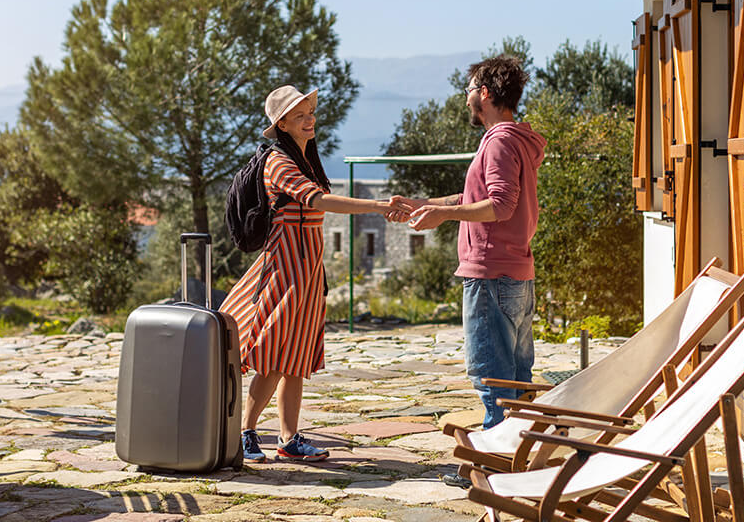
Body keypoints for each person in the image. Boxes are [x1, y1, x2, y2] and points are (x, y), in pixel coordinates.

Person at [221, 85, 407, 463]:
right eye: (301, 114)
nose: (311, 119)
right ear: (282, 123)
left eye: (310, 112)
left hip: (306, 272)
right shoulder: (279, 163)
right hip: (284, 270)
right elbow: (319, 201)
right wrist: (377, 205)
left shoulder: (306, 160)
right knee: (273, 357)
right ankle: (246, 432)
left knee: (297, 357)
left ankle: (289, 438)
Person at [394, 56, 545, 483]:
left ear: (484, 93)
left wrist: (445, 218)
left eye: (468, 90)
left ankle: (494, 471)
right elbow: (475, 194)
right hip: (515, 272)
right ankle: (517, 462)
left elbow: (499, 204)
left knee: (493, 377)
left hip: (490, 272)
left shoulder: (498, 141)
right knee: (515, 377)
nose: (464, 99)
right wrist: (428, 206)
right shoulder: (516, 138)